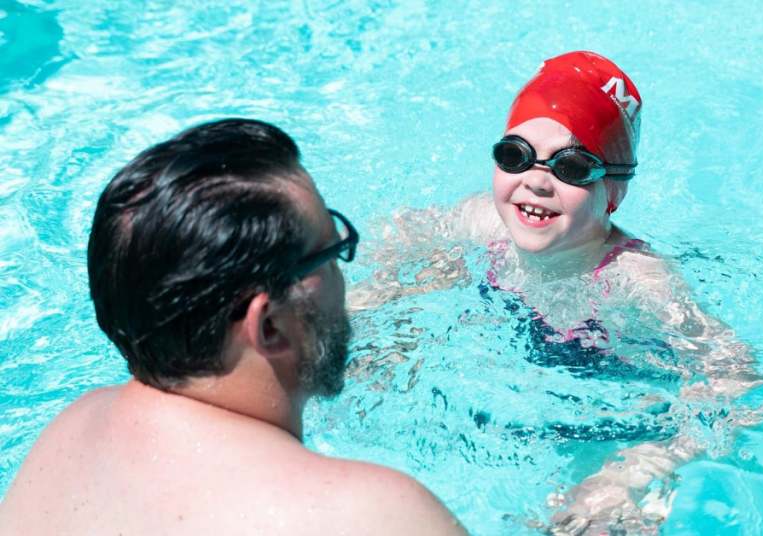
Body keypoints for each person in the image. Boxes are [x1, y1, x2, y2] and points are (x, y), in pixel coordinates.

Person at [347, 52, 762, 535]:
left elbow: (736, 375)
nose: (537, 180)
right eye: (515, 155)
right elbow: (400, 239)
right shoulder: (482, 222)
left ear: (614, 193)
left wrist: (634, 469)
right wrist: (368, 312)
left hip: (623, 418)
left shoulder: (637, 279)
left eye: (572, 167)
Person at [0, 119, 468, 535]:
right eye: (332, 253)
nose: (345, 279)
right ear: (267, 326)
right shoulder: (371, 515)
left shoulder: (70, 434)